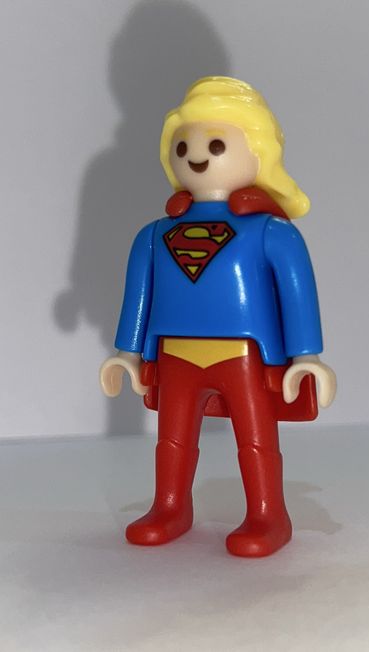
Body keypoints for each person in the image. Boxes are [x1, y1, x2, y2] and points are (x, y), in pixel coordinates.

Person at [100, 76, 336, 557]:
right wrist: (126, 352)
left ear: (257, 152)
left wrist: (307, 356)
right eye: (182, 146)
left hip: (243, 354)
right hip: (175, 354)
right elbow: (137, 295)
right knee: (172, 438)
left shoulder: (271, 231)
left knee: (255, 437)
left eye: (215, 144)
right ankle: (170, 506)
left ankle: (268, 514)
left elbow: (297, 294)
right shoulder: (154, 235)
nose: (196, 156)